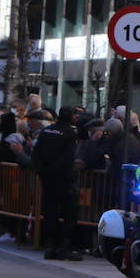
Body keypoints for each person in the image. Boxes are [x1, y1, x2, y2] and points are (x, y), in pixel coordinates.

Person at [31, 105, 80, 261]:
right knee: (70, 213)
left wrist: (42, 171)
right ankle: (63, 248)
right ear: (72, 117)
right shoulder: (70, 134)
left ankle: (50, 247)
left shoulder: (47, 131)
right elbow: (67, 158)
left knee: (50, 213)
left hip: (47, 179)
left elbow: (36, 153)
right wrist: (55, 171)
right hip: (63, 179)